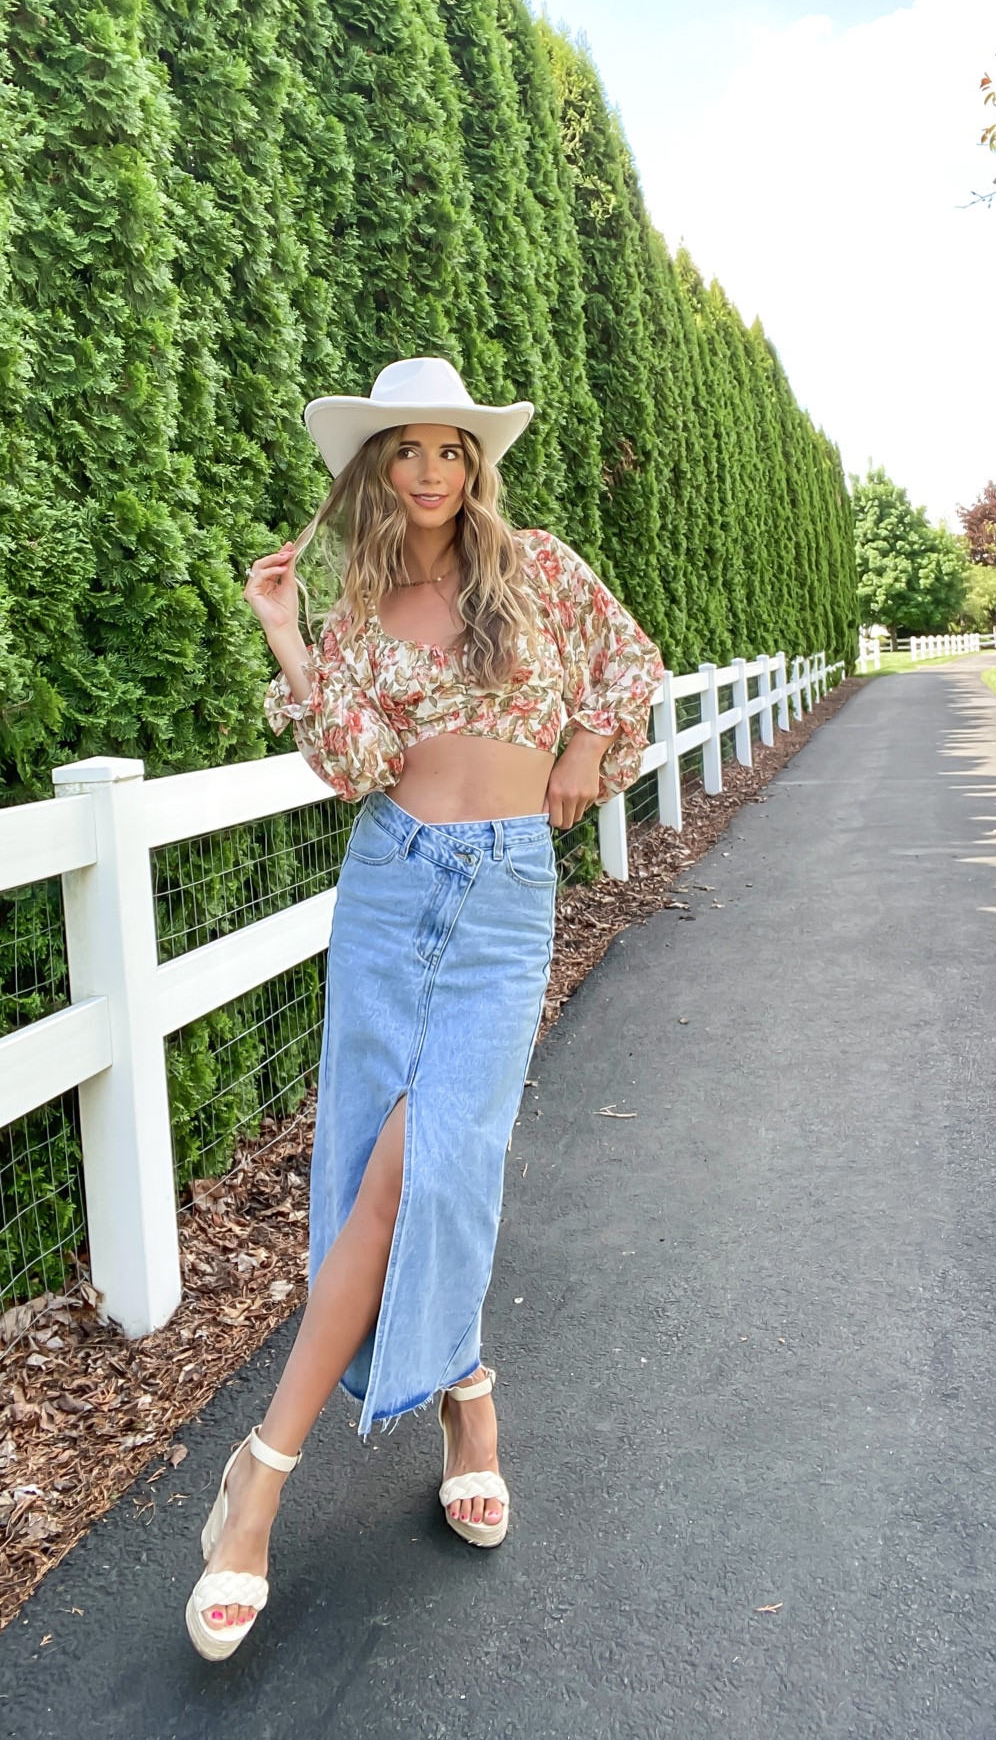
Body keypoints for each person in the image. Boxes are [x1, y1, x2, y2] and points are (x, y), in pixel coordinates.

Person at [185, 356, 664, 1660]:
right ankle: (438, 1419)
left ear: (476, 462)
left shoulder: (542, 569)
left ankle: (263, 1479)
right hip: (395, 892)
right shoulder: (356, 604)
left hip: (506, 899)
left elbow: (632, 668)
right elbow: (353, 767)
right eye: (408, 451)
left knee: (438, 1163)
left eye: (453, 450)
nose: (434, 473)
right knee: (377, 1174)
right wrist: (284, 630)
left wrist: (583, 751)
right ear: (378, 469)